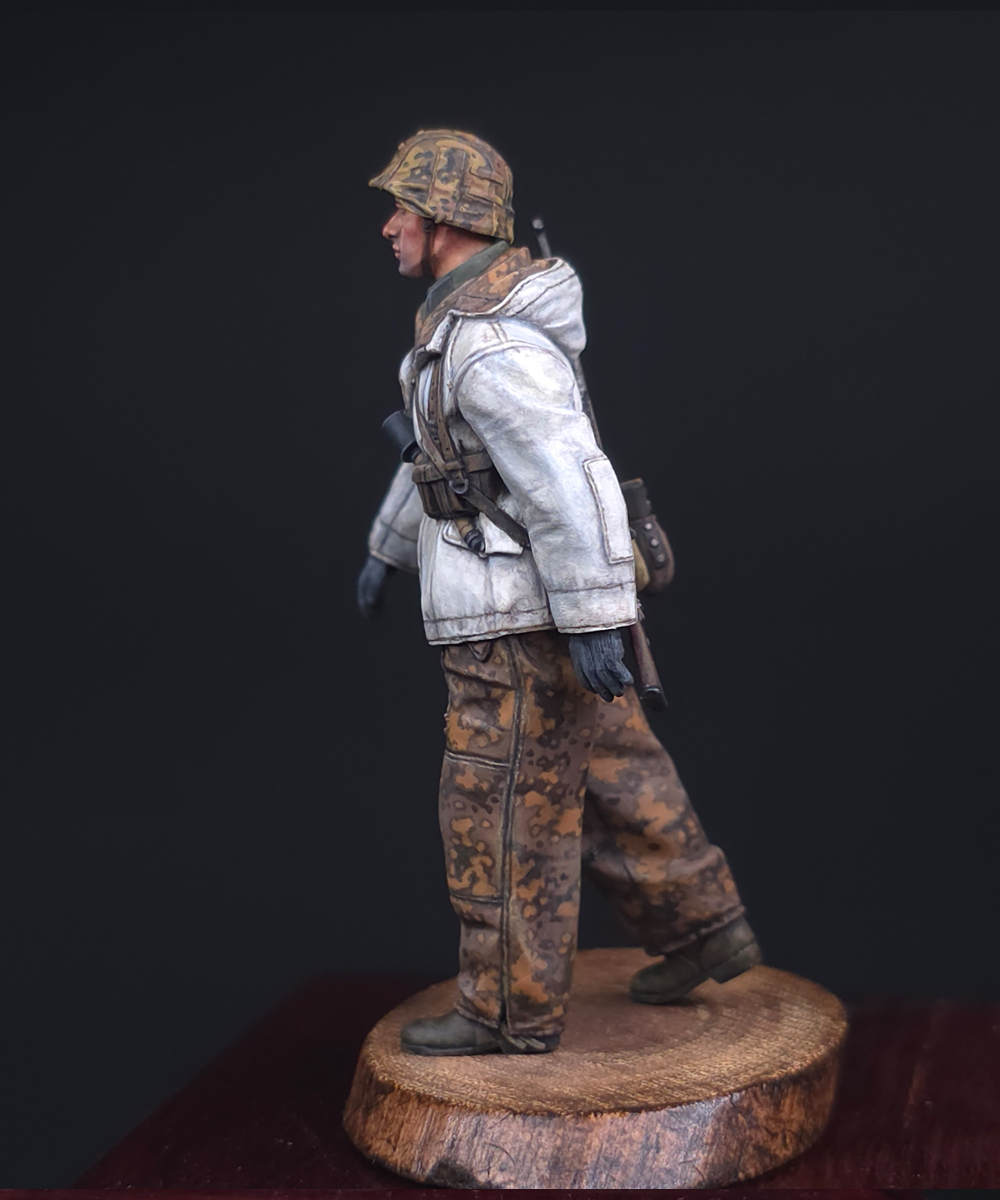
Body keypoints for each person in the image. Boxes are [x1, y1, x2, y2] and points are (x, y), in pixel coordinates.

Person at [358, 130, 760, 1056]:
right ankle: (704, 928)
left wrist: (595, 621)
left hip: (513, 620)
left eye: (401, 210)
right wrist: (388, 549)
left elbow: (568, 482)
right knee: (615, 769)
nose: (388, 227)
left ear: (446, 220)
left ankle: (507, 1010)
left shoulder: (491, 344)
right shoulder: (459, 330)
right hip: (539, 606)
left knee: (502, 810)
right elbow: (448, 463)